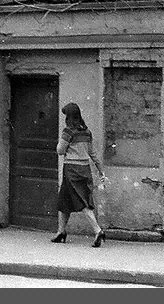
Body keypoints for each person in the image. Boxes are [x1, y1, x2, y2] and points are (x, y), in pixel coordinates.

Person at [52, 102, 106, 247]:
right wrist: (101, 171)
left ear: (68, 117)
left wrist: (62, 142)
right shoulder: (87, 132)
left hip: (71, 170)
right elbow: (93, 154)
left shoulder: (68, 131)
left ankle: (97, 230)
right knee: (65, 200)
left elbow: (60, 151)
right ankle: (61, 232)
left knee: (81, 201)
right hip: (85, 169)